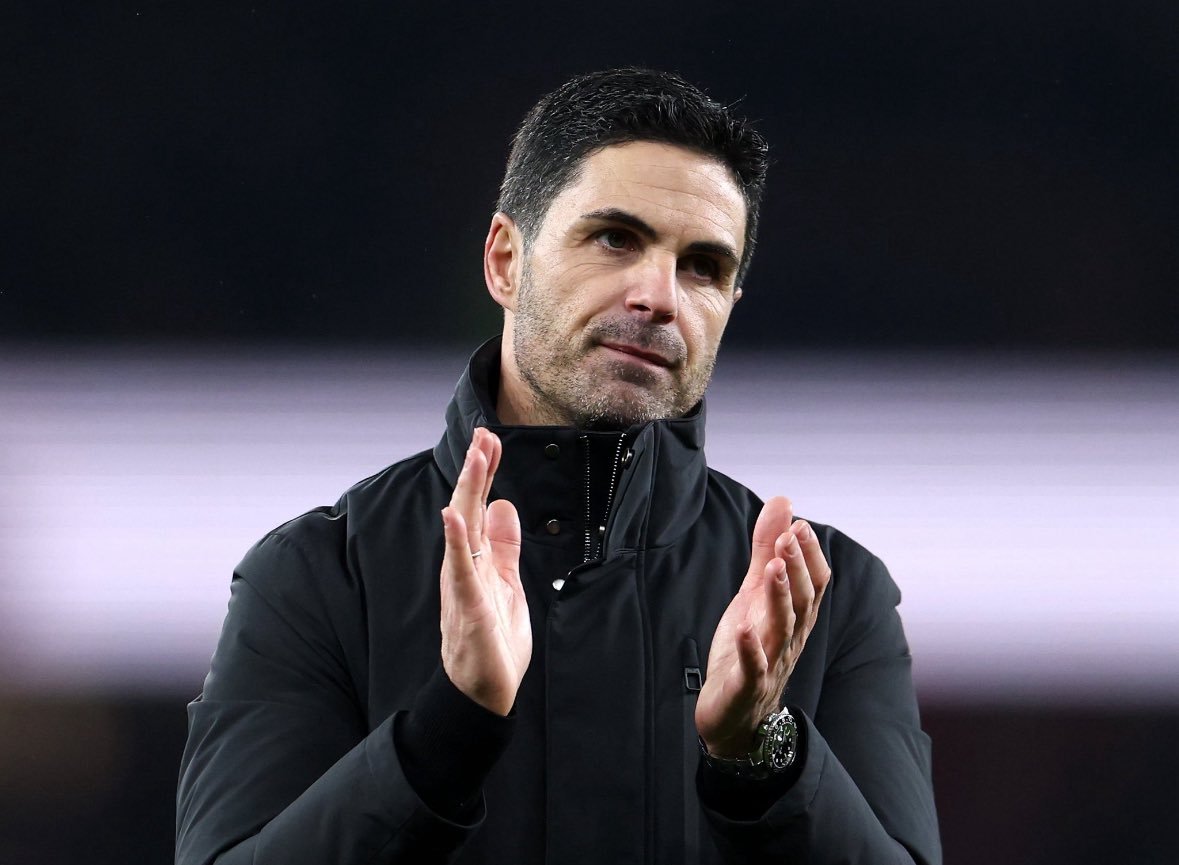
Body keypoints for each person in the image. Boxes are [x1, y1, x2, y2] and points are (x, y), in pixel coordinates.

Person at [176, 67, 941, 865]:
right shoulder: (317, 576)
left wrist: (761, 751)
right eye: (615, 239)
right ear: (505, 261)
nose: (659, 296)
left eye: (702, 267)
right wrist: (449, 727)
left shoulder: (829, 593)